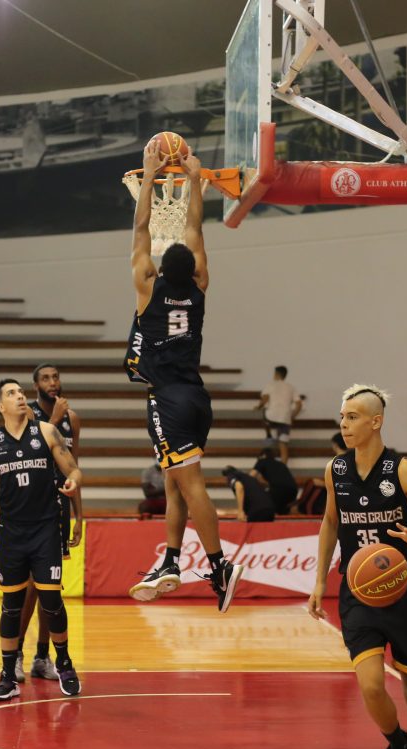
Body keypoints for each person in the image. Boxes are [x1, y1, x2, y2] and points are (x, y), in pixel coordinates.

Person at [307, 385, 407, 749]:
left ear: (376, 422)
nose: (344, 424)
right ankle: (398, 744)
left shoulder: (402, 471)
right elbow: (330, 523)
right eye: (342, 417)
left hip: (404, 593)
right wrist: (319, 581)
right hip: (359, 591)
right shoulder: (335, 470)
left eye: (352, 417)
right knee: (371, 686)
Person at [123, 140, 245, 611]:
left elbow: (140, 229)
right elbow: (193, 228)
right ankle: (171, 561)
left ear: (157, 269)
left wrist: (150, 177)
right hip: (196, 397)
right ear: (192, 267)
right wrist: (194, 179)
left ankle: (219, 565)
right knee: (174, 481)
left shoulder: (146, 288)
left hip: (169, 400)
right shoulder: (200, 288)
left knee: (190, 486)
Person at [0, 379, 84, 701]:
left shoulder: (47, 432)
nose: (20, 396)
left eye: (21, 392)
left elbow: (74, 469)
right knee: (11, 606)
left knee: (51, 601)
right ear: (0, 406)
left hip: (46, 529)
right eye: (11, 393)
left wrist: (73, 482)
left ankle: (64, 664)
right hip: (11, 532)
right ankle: (8, 676)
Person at [19, 363, 83, 681]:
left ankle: (42, 657)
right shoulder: (27, 416)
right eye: (45, 378)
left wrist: (79, 514)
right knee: (31, 586)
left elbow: (73, 467)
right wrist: (53, 421)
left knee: (50, 587)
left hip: (58, 508)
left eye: (56, 376)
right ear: (36, 386)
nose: (53, 382)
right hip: (31, 507)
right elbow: (26, 453)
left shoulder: (73, 419)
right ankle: (15, 654)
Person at [257, 365, 304, 463]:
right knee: (283, 444)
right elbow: (299, 404)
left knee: (264, 413)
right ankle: (283, 467)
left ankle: (269, 435)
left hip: (271, 417)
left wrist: (258, 406)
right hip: (285, 419)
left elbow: (265, 399)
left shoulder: (270, 385)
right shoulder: (291, 387)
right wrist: (292, 416)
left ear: (276, 374)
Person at [296, 433, 347, 515]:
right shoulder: (346, 459)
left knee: (315, 487)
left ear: (335, 445)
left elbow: (341, 483)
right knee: (313, 483)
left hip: (339, 492)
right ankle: (303, 508)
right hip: (338, 490)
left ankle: (305, 509)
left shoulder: (340, 461)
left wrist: (323, 484)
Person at [253, 446, 298, 513]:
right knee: (281, 509)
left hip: (278, 490)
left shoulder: (262, 461)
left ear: (263, 455)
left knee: (263, 502)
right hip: (293, 490)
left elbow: (251, 476)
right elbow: (279, 481)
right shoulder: (280, 464)